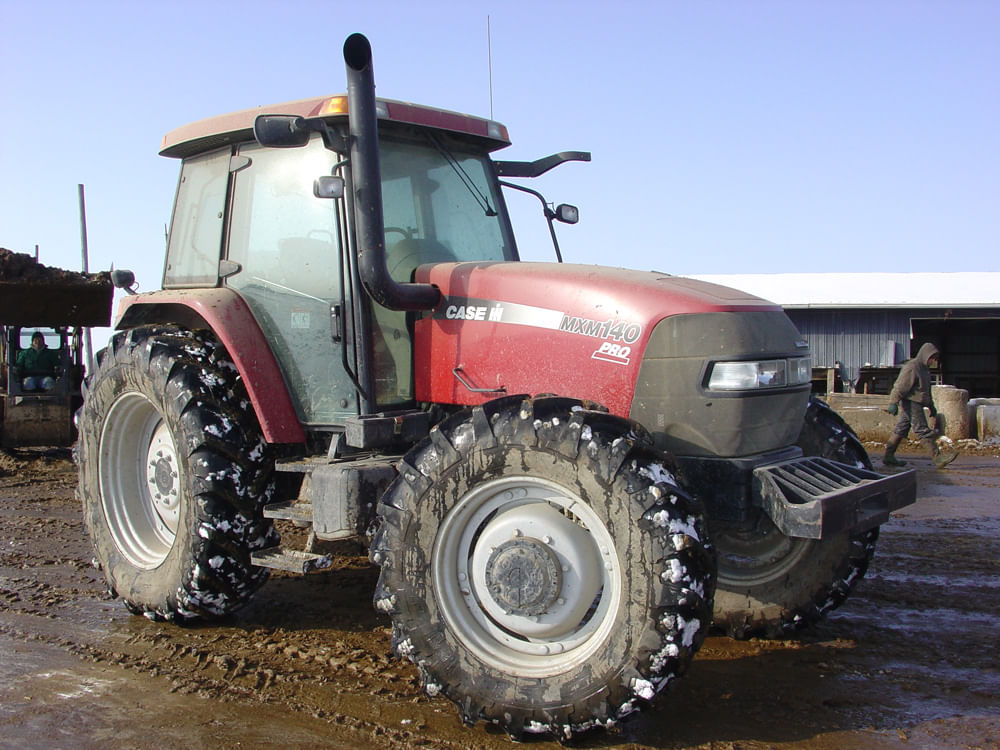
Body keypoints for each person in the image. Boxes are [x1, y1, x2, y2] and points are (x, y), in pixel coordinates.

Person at [884, 342, 956, 469]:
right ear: (925, 355)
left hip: (916, 402)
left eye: (935, 359)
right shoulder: (913, 367)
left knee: (901, 428)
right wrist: (893, 402)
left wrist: (931, 405)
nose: (933, 361)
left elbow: (924, 391)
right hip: (911, 402)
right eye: (932, 358)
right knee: (922, 430)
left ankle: (888, 456)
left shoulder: (924, 370)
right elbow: (900, 386)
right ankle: (938, 458)